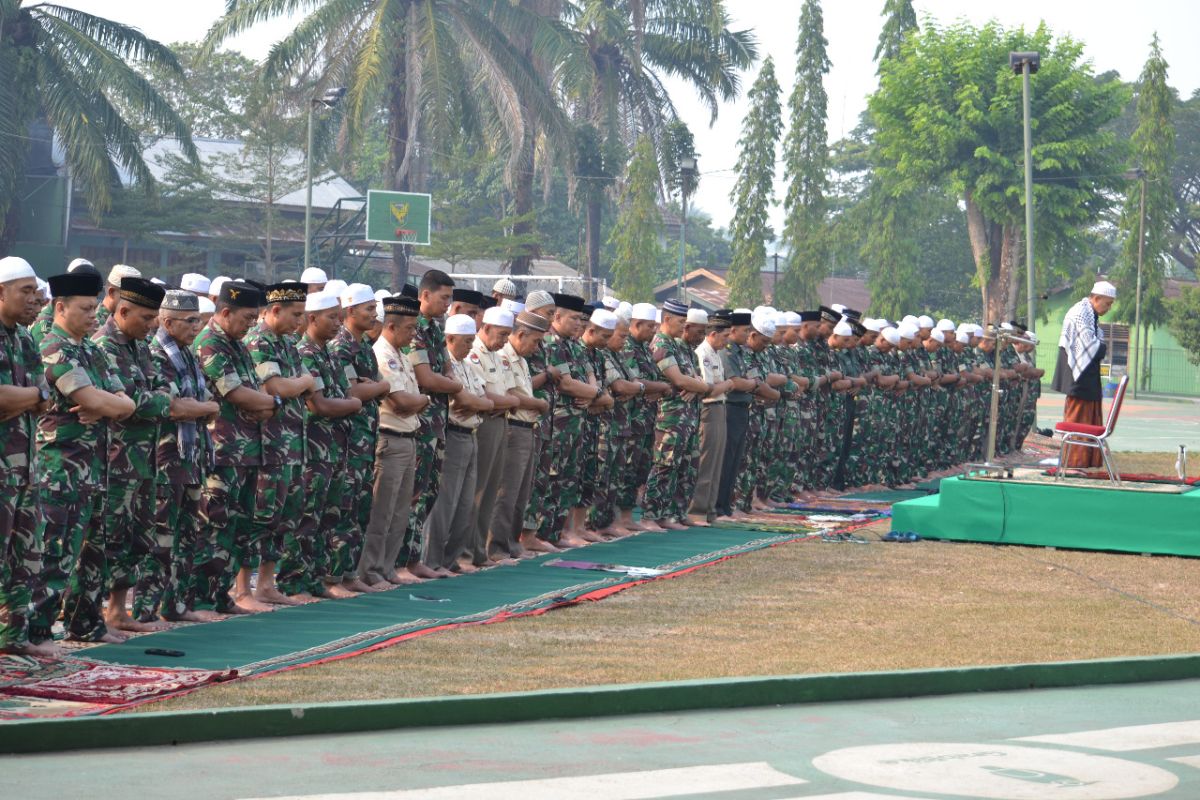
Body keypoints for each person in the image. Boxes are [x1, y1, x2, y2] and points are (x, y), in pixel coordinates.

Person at [94, 277, 209, 632]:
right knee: (109, 537)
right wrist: (181, 405)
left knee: (140, 538)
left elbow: (157, 395)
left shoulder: (141, 348)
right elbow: (149, 403)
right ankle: (97, 614)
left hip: (146, 458)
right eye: (147, 318)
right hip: (118, 458)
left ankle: (121, 611)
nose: (151, 325)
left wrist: (164, 403)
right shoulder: (105, 347)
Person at [31, 270, 135, 644]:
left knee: (94, 552)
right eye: (86, 309)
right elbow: (91, 399)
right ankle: (37, 631)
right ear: (60, 307)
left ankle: (85, 624)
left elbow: (128, 402)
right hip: (59, 467)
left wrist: (107, 405)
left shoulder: (91, 349)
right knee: (54, 553)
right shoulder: (51, 346)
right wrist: (106, 404)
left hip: (94, 465)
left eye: (95, 308)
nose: (94, 316)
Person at [193, 280, 280, 614]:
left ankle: (220, 596)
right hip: (221, 452)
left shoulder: (239, 344)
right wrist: (273, 401)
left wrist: (265, 402)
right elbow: (237, 394)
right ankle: (200, 598)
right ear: (225, 312)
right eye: (246, 317)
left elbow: (252, 390)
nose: (252, 324)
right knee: (213, 526)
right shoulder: (209, 344)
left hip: (246, 452)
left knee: (237, 528)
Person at [242, 282, 318, 605]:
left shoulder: (287, 343)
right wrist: (302, 383)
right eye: (295, 314)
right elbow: (276, 386)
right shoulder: (259, 341)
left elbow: (303, 385)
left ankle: (267, 584)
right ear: (274, 310)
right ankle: (243, 587)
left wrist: (299, 384)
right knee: (258, 514)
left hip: (291, 442)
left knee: (284, 514)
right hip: (267, 443)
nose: (300, 322)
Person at [147, 291, 221, 622]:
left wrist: (201, 408)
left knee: (188, 531)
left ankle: (177, 605)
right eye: (191, 321)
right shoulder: (157, 356)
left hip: (191, 456)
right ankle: (144, 610)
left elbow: (199, 401)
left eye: (199, 320)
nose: (197, 326)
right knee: (160, 536)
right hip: (166, 457)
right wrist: (207, 408)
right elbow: (175, 408)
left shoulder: (188, 355)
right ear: (167, 322)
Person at [289, 290, 366, 598]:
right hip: (313, 449)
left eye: (338, 316)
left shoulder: (329, 353)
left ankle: (318, 579)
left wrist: (348, 402)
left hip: (334, 448)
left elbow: (343, 394)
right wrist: (354, 405)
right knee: (306, 517)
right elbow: (319, 405)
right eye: (331, 317)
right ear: (311, 318)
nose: (338, 323)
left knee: (328, 517)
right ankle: (295, 582)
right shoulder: (305, 353)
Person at [0, 257, 55, 655]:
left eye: (36, 291)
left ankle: (12, 640)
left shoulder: (23, 338)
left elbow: (43, 397)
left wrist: (33, 397)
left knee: (25, 557)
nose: (35, 299)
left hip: (24, 468)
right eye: (25, 290)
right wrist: (34, 396)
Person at [358, 295, 429, 587]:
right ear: (391, 326)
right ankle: (371, 568)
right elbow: (400, 402)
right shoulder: (382, 354)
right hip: (390, 438)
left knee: (400, 511)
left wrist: (418, 401)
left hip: (408, 437)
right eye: (410, 328)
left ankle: (387, 566)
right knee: (382, 510)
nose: (414, 334)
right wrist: (424, 399)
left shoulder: (401, 354)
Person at [329, 283, 392, 586]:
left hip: (365, 438)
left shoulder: (364, 345)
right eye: (368, 308)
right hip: (347, 440)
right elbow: (355, 390)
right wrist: (379, 387)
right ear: (350, 310)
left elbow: (373, 385)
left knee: (360, 508)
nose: (374, 314)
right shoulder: (341, 346)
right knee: (342, 508)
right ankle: (334, 575)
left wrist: (375, 387)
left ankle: (349, 572)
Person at [423, 314, 493, 574]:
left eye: (473, 340)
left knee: (465, 504)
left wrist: (477, 403)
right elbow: (464, 402)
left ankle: (449, 559)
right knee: (446, 501)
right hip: (452, 434)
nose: (470, 346)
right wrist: (476, 403)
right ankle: (431, 560)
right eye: (466, 341)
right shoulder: (445, 366)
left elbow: (485, 401)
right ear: (449, 339)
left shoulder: (468, 366)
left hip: (472, 433)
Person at [407, 270, 462, 568]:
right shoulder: (412, 328)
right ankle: (406, 561)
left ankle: (414, 559)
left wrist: (448, 382)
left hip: (437, 420)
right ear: (425, 295)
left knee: (429, 491)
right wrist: (451, 384)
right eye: (444, 298)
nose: (447, 304)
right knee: (413, 494)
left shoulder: (434, 329)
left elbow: (447, 370)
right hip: (420, 422)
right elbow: (426, 378)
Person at [642, 301, 710, 530]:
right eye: (681, 322)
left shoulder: (682, 347)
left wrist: (697, 386)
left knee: (687, 467)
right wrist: (698, 386)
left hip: (688, 417)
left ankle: (675, 513)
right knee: (665, 466)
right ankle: (652, 515)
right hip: (670, 418)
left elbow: (698, 380)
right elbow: (679, 380)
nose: (684, 327)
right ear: (667, 319)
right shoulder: (661, 344)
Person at [488, 310, 551, 559]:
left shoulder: (522, 360)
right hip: (513, 426)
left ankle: (512, 543)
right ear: (521, 334)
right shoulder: (504, 357)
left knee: (521, 492)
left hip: (527, 428)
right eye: (535, 341)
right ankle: (496, 546)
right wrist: (539, 404)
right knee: (506, 492)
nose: (536, 348)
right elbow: (513, 394)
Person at [464, 306, 519, 567]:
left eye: (508, 335)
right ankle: (467, 551)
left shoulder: (496, 354)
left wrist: (509, 402)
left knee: (490, 491)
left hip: (499, 421)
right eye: (502, 334)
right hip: (484, 423)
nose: (505, 340)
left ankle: (479, 550)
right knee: (477, 491)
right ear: (485, 328)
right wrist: (511, 401)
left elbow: (505, 394)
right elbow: (484, 395)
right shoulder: (474, 353)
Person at [688, 311, 734, 525]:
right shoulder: (703, 353)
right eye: (725, 336)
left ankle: (710, 509)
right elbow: (709, 389)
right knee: (706, 462)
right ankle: (697, 510)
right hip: (709, 409)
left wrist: (724, 386)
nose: (727, 341)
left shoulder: (715, 353)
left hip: (720, 408)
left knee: (717, 461)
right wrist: (729, 385)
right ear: (713, 334)